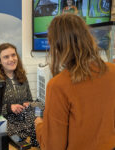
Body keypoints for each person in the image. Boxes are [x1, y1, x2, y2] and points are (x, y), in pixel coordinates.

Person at [34, 13, 115, 150]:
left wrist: (39, 126)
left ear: (56, 45)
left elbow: (53, 146)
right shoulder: (112, 71)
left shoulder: (58, 86)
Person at [0, 43, 38, 147]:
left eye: (13, 55)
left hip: (24, 120)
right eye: (6, 57)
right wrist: (10, 108)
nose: (11, 59)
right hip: (5, 123)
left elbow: (30, 100)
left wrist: (28, 103)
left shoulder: (22, 77)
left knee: (40, 113)